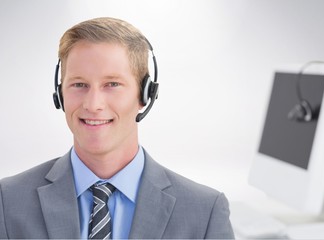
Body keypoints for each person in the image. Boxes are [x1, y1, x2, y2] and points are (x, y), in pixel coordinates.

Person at [0, 17, 234, 239]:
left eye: (112, 84)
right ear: (60, 95)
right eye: (79, 84)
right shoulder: (7, 201)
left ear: (145, 95)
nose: (93, 104)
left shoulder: (205, 213)